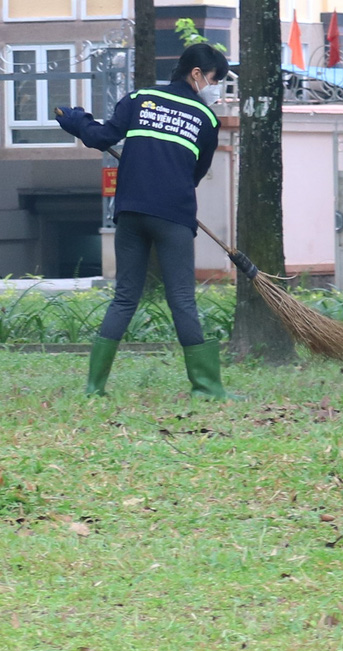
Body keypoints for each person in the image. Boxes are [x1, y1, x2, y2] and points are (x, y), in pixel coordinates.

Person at [54, 40, 230, 399]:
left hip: (131, 212)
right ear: (196, 74)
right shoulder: (206, 119)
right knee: (181, 298)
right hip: (174, 216)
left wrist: (76, 121)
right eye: (214, 80)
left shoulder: (139, 100)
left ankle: (94, 386)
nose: (214, 89)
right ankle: (207, 386)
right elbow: (196, 174)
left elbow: (101, 137)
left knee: (124, 298)